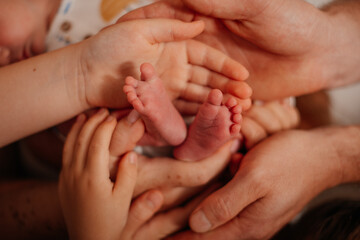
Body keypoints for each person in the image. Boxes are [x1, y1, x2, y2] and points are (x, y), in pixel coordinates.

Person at [120, 0, 360, 239]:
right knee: (247, 127)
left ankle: (176, 133)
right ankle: (182, 136)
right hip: (235, 109)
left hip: (209, 150)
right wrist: (283, 127)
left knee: (237, 143)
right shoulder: (293, 92)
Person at [123, 62, 242, 161]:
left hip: (136, 148)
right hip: (217, 162)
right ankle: (196, 150)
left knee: (126, 131)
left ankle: (162, 132)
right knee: (235, 141)